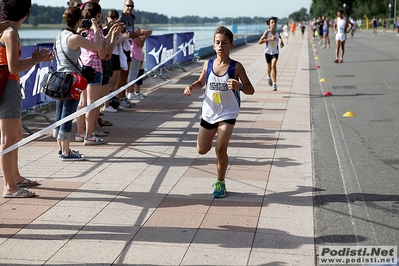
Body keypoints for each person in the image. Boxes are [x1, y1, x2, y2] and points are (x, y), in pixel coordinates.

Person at [183, 26, 254, 198]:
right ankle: (210, 148)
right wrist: (192, 86)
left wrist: (240, 86)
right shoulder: (207, 64)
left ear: (231, 46)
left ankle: (220, 183)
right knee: (201, 149)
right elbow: (201, 82)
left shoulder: (236, 67)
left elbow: (251, 90)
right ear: (213, 46)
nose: (220, 45)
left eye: (224, 43)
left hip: (228, 113)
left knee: (220, 149)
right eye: (217, 42)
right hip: (209, 112)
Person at [0, 0, 54, 198]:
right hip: (9, 87)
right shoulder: (11, 32)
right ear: (25, 13)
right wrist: (34, 60)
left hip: (10, 86)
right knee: (8, 139)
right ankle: (9, 186)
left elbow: (9, 63)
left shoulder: (8, 30)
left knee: (16, 136)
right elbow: (13, 68)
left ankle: (15, 177)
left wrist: (36, 59)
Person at [53, 6, 104, 160]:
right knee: (68, 114)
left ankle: (61, 149)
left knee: (59, 115)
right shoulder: (75, 38)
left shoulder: (60, 34)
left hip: (59, 77)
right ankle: (67, 152)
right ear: (79, 20)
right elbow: (97, 46)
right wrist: (95, 30)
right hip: (71, 80)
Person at [75, 2, 112, 145]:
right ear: (98, 15)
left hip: (82, 68)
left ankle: (79, 132)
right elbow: (102, 54)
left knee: (82, 102)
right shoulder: (97, 32)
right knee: (92, 103)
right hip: (95, 69)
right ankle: (89, 135)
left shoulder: (80, 32)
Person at [258, 16, 284, 91]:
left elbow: (279, 37)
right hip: (268, 52)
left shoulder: (277, 32)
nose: (274, 24)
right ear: (269, 24)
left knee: (273, 65)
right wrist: (269, 39)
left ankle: (275, 84)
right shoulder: (267, 32)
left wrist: (281, 41)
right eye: (272, 22)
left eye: (275, 22)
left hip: (275, 52)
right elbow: (259, 42)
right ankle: (268, 77)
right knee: (269, 67)